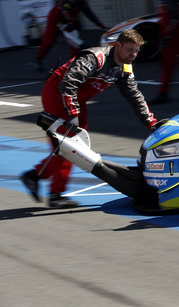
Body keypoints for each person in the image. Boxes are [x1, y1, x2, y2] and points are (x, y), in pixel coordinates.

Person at [20, 29, 160, 208]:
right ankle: (54, 194)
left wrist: (151, 123)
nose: (133, 54)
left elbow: (134, 96)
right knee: (70, 145)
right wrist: (72, 112)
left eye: (136, 50)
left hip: (77, 100)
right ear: (117, 46)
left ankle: (35, 176)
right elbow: (68, 83)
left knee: (78, 146)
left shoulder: (125, 67)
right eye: (129, 49)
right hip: (58, 94)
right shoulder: (95, 58)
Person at [33, 0, 106, 71]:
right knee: (49, 41)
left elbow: (91, 16)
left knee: (74, 40)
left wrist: (102, 26)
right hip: (54, 19)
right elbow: (64, 10)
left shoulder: (83, 4)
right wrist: (70, 22)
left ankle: (74, 61)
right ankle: (38, 59)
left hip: (66, 21)